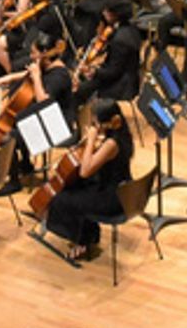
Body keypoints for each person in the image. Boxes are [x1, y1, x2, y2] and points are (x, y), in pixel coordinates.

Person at [44, 99, 134, 261]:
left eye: (96, 123)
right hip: (119, 188)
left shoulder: (112, 144)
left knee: (63, 199)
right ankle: (88, 234)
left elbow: (85, 171)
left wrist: (91, 139)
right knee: (75, 186)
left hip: (113, 198)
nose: (94, 126)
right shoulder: (122, 133)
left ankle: (82, 242)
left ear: (108, 122)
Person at [0, 31, 76, 196]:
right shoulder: (47, 65)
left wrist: (37, 77)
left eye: (34, 53)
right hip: (47, 119)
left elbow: (43, 102)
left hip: (58, 126)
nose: (31, 57)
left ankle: (14, 181)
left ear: (44, 54)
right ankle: (25, 165)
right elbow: (29, 72)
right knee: (19, 119)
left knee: (6, 138)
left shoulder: (59, 76)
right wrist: (9, 78)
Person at [75, 0, 143, 105]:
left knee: (80, 90)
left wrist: (94, 71)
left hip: (121, 84)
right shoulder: (131, 29)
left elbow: (113, 72)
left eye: (106, 11)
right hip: (131, 76)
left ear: (114, 14)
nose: (103, 13)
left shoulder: (120, 40)